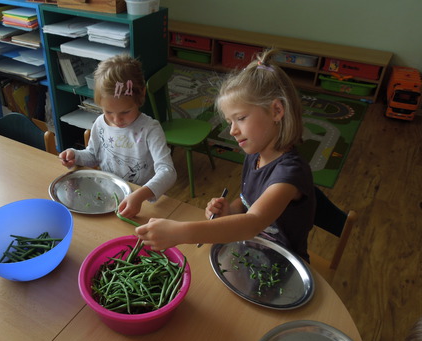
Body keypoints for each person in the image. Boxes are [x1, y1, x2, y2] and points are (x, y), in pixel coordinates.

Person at [136, 48, 315, 261]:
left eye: (240, 118)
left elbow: (253, 222)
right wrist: (229, 210)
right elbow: (248, 202)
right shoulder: (256, 155)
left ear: (276, 111)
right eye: (230, 122)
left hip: (283, 263)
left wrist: (180, 232)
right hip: (252, 250)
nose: (232, 131)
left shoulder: (289, 174)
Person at [58, 54, 176, 218]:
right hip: (106, 197)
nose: (116, 119)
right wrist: (75, 156)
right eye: (108, 111)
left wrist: (140, 195)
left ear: (141, 95)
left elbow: (168, 171)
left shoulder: (150, 129)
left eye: (125, 112)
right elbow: (93, 155)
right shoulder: (100, 123)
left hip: (140, 203)